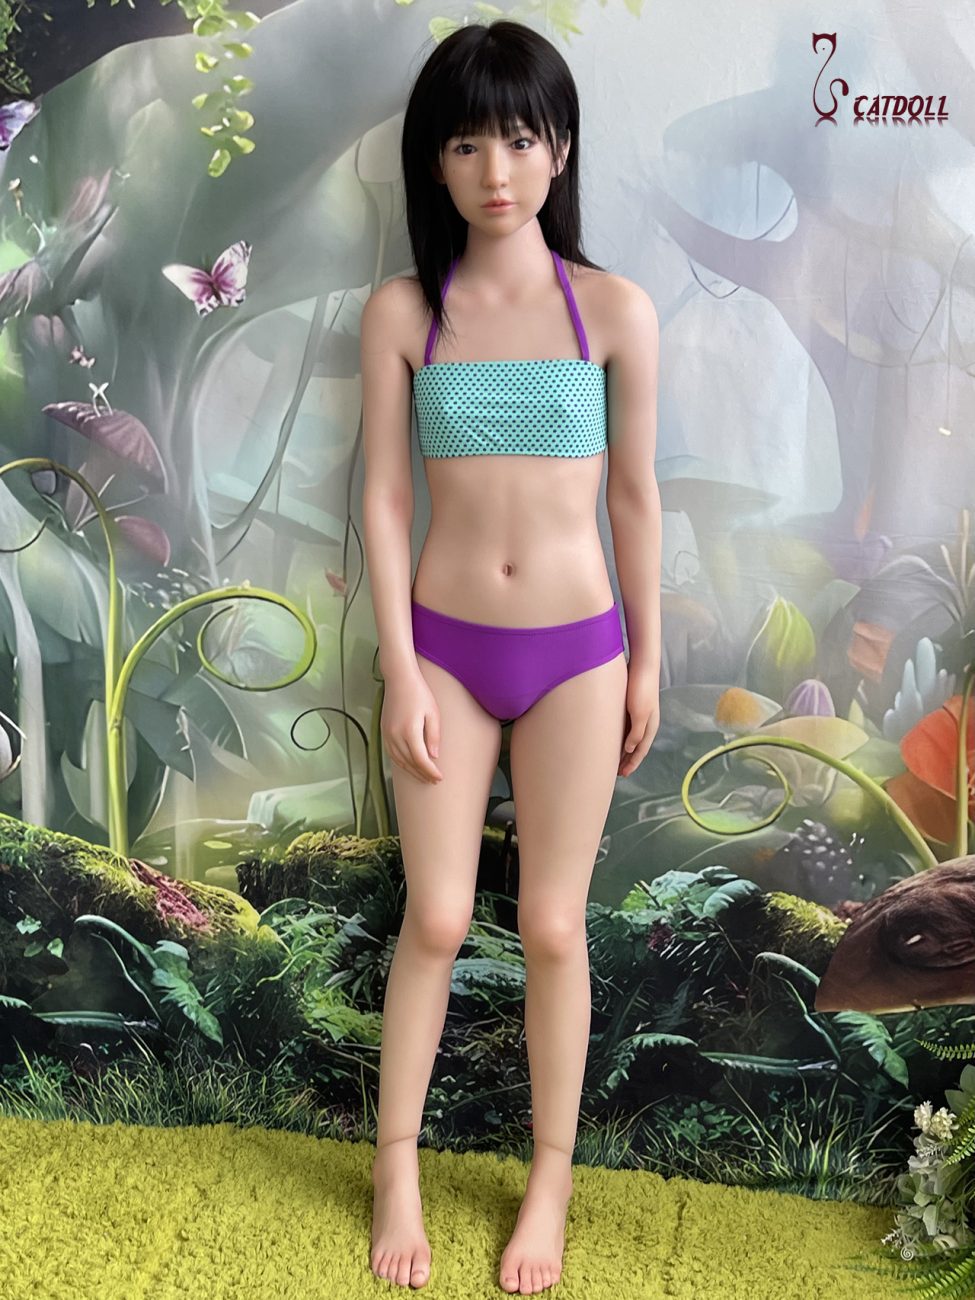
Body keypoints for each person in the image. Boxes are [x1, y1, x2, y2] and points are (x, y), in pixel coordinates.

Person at [360, 18, 661, 1294]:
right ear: (435, 160)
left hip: (581, 655)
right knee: (435, 917)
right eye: (468, 142)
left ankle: (550, 1177)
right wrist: (398, 666)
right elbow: (383, 499)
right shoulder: (404, 311)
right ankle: (396, 1166)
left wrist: (648, 662)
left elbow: (636, 498)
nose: (497, 168)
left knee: (549, 924)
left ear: (561, 150)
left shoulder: (614, 309)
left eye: (522, 139)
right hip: (443, 647)